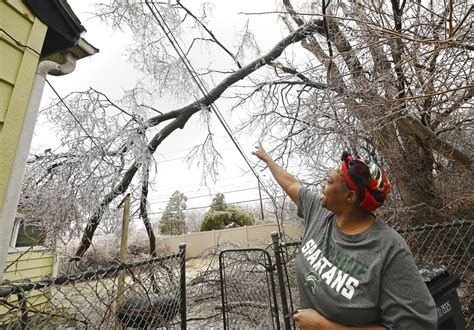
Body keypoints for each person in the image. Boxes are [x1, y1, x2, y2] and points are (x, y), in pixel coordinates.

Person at [252, 145, 437, 329]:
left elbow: (417, 327)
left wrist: (324, 327)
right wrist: (268, 160)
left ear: (350, 196)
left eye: (330, 182)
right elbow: (292, 184)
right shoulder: (320, 213)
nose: (322, 185)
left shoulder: (388, 249)